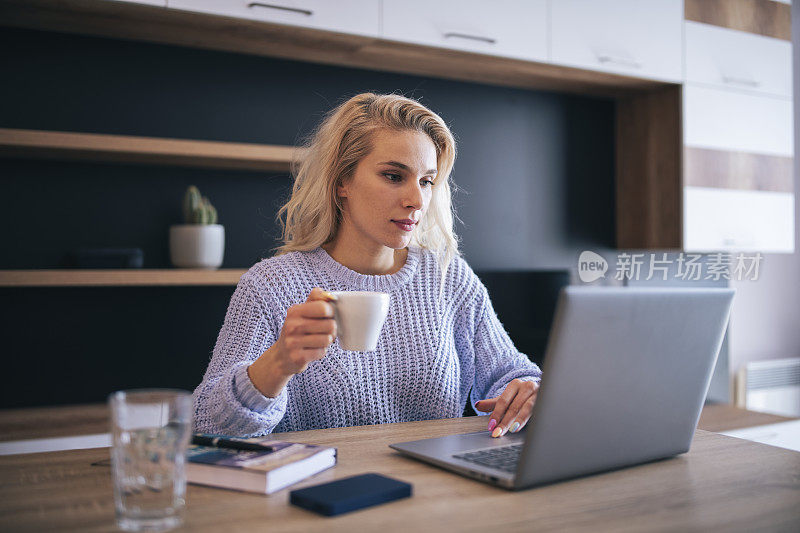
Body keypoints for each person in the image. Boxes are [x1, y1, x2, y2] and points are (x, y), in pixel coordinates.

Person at [193, 93, 541, 438]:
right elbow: (204, 423)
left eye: (426, 181)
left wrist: (527, 391)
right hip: (319, 488)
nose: (417, 200)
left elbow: (510, 373)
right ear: (342, 180)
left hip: (438, 488)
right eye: (393, 176)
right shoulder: (270, 285)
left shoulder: (448, 277)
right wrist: (277, 363)